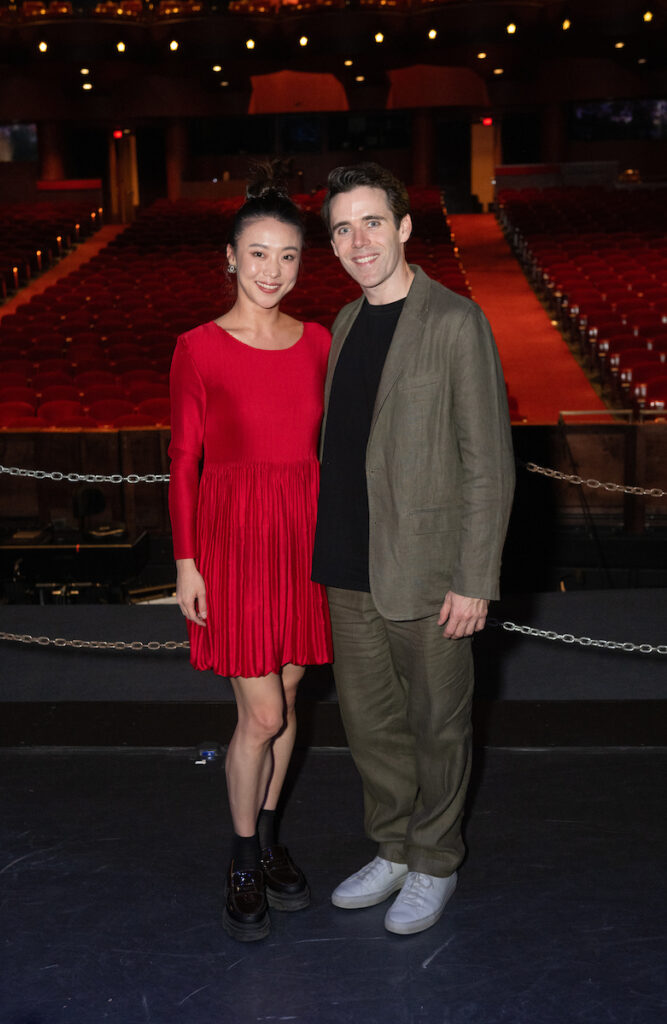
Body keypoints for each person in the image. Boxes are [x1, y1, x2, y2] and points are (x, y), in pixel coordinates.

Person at [311, 162, 515, 936]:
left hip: (429, 572)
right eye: (341, 228)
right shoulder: (343, 323)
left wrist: (474, 579)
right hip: (347, 565)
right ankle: (393, 847)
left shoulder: (455, 322)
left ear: (402, 228)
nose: (357, 239)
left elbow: (486, 465)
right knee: (371, 726)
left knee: (439, 725)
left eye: (371, 222)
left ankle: (434, 861)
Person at [168, 169, 332, 942]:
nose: (272, 271)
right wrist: (185, 561)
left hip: (303, 537)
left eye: (288, 256)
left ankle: (268, 842)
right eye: (257, 253)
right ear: (228, 257)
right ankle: (240, 857)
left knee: (290, 705)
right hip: (232, 543)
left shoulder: (320, 343)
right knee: (259, 715)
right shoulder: (198, 348)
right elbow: (182, 461)